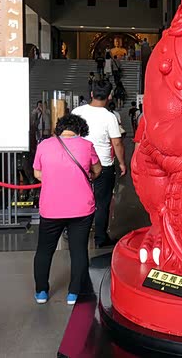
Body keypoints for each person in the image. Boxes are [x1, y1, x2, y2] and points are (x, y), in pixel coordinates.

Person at [33, 114, 102, 306]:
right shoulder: (86, 146)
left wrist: (55, 178)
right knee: (78, 250)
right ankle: (74, 293)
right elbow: (97, 170)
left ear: (59, 128)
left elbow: (37, 173)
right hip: (81, 208)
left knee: (44, 250)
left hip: (51, 207)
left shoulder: (44, 145)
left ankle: (41, 292)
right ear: (80, 130)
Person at [72, 81, 127, 248]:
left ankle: (76, 233)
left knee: (78, 198)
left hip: (79, 164)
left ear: (91, 94)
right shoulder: (109, 117)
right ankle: (100, 238)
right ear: (109, 96)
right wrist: (122, 163)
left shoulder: (77, 112)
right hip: (103, 164)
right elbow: (116, 143)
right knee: (102, 203)